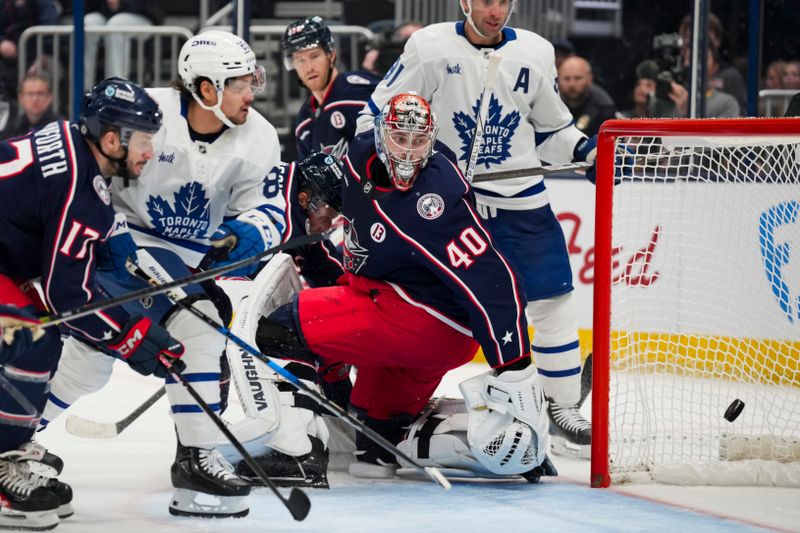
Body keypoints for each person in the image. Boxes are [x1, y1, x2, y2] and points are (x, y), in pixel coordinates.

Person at [39, 31, 287, 517]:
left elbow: (268, 208)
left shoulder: (258, 134)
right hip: (114, 247)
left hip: (183, 268)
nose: (250, 94)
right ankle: (14, 439)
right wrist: (115, 241)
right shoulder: (148, 112)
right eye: (239, 84)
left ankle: (196, 459)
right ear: (207, 88)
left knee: (201, 325)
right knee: (90, 362)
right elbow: (88, 173)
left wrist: (250, 232)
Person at [255, 92, 554, 482]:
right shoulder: (358, 163)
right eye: (400, 138)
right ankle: (479, 448)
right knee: (374, 444)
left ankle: (296, 453)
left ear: (430, 141)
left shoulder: (435, 202)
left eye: (418, 141)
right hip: (420, 328)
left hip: (422, 321)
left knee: (282, 328)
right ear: (381, 137)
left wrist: (515, 367)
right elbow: (317, 217)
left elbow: (494, 280)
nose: (409, 152)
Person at [358, 0, 593, 457]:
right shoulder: (428, 47)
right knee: (425, 308)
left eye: (503, 0)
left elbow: (551, 130)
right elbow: (375, 117)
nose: (495, 9)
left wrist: (586, 150)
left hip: (522, 203)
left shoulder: (537, 52)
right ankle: (387, 405)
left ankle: (562, 407)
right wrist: (391, 170)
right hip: (446, 204)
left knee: (553, 301)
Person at [0, 77, 184, 530]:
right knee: (33, 336)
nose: (149, 151)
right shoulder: (85, 185)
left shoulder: (68, 144)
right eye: (143, 139)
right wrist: (131, 335)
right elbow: (71, 298)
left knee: (37, 324)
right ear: (111, 139)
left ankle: (12, 442)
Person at [282, 16, 381, 160]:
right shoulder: (303, 120)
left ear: (331, 55)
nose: (309, 68)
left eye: (314, 56)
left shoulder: (360, 93)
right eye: (300, 60)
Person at [83, 0, 164, 89]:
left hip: (142, 14)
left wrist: (122, 3)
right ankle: (84, 89)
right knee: (87, 23)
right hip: (105, 12)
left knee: (115, 25)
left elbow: (150, 6)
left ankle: (115, 88)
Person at [678, 13, 746, 115]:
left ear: (717, 41)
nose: (697, 41)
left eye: (705, 35)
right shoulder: (676, 77)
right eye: (689, 37)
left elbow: (737, 117)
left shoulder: (730, 77)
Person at [0, 0, 60, 99]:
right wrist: (1, 42)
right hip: (7, 58)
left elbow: (51, 28)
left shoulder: (43, 3)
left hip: (38, 56)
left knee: (46, 76)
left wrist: (42, 57)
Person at [558, 56, 616, 136]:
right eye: (566, 79)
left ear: (590, 79)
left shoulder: (603, 106)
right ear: (557, 79)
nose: (571, 84)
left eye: (577, 78)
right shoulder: (552, 102)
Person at [0, 72, 61, 138]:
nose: (35, 99)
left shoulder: (61, 129)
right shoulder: (12, 129)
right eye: (30, 94)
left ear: (49, 97)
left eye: (40, 94)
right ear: (21, 97)